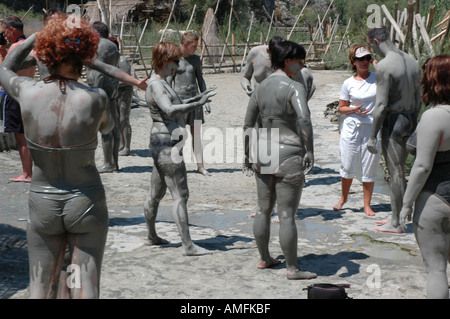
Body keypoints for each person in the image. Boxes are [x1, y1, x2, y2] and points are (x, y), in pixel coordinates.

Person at [0, 16, 114, 298]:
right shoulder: (96, 97)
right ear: (83, 56)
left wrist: (34, 38)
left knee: (41, 286)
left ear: (47, 56)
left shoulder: (29, 93)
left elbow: (5, 68)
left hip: (43, 200)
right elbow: (108, 127)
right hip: (85, 198)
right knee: (84, 285)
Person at [243, 40, 316, 280]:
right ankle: (292, 268)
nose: (301, 66)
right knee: (286, 215)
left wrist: (246, 154)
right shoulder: (294, 86)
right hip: (289, 151)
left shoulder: (260, 87)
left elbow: (248, 124)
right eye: (299, 61)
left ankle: (264, 258)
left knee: (263, 210)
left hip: (263, 152)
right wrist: (309, 150)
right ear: (287, 61)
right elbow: (304, 119)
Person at [143, 41, 216, 256]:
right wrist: (197, 104)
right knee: (180, 195)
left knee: (156, 192)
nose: (178, 66)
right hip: (167, 145)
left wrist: (199, 97)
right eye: (175, 62)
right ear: (165, 62)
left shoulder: (159, 83)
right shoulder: (157, 85)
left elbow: (173, 103)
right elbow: (169, 109)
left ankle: (151, 236)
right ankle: (188, 246)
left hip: (161, 143)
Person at [399, 55, 450, 299]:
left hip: (435, 198)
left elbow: (421, 167)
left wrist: (406, 204)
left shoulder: (434, 117)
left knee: (436, 268)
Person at [366, 26, 421, 233]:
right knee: (406, 170)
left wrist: (372, 136)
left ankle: (397, 223)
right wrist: (413, 120)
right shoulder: (413, 61)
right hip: (411, 118)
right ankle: (400, 215)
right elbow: (418, 99)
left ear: (375, 42)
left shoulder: (384, 66)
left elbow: (380, 106)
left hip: (394, 120)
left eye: (371, 46)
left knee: (396, 173)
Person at [333, 45, 381, 216]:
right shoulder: (348, 83)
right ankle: (343, 198)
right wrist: (354, 109)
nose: (365, 62)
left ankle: (367, 205)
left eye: (368, 58)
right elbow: (341, 108)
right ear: (353, 62)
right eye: (361, 59)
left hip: (372, 127)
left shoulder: (378, 78)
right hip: (352, 127)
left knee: (370, 165)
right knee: (347, 163)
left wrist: (378, 65)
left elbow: (392, 82)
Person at [168, 31, 210, 175]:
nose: (196, 49)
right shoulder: (174, 59)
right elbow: (168, 82)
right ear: (185, 44)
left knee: (196, 135)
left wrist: (205, 98)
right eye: (193, 46)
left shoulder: (196, 60)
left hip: (196, 99)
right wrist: (169, 100)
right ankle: (178, 165)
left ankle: (201, 166)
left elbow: (200, 80)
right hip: (180, 101)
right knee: (179, 134)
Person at [0, 16, 34, 182]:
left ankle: (27, 174)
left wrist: (2, 53)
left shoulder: (15, 46)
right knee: (28, 135)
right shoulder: (29, 46)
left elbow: (4, 71)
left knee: (20, 137)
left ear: (11, 29)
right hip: (30, 90)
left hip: (15, 93)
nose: (4, 34)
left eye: (4, 31)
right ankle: (30, 172)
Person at [86, 21, 121, 173]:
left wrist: (96, 94)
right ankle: (114, 162)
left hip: (102, 89)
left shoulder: (100, 45)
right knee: (114, 127)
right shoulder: (113, 46)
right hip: (112, 88)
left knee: (106, 128)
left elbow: (99, 72)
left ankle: (108, 163)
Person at [109, 36, 134, 156]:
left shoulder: (122, 61)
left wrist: (111, 83)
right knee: (117, 119)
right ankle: (121, 144)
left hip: (124, 91)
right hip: (115, 91)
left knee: (124, 119)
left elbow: (126, 79)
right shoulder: (110, 60)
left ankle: (127, 147)